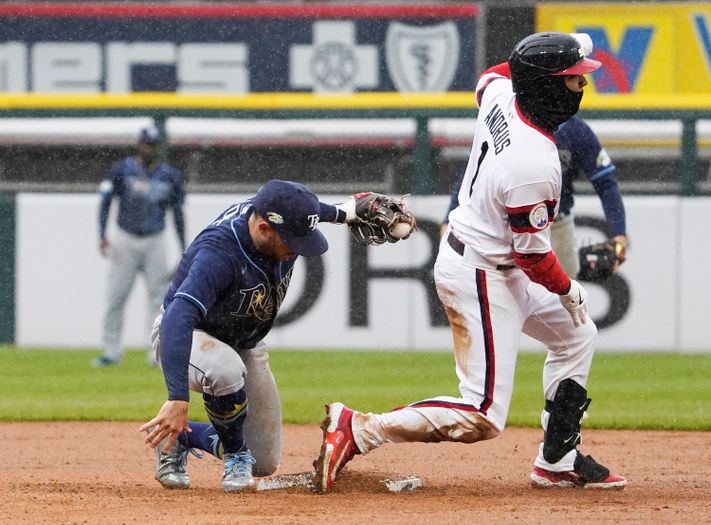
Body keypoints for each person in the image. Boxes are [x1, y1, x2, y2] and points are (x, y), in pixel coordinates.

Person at [313, 32, 627, 493]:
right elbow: (533, 255)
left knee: (576, 334)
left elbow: (490, 76)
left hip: (491, 257)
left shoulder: (504, 93)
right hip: (483, 272)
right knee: (482, 415)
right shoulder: (534, 163)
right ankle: (359, 428)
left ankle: (557, 459)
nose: (582, 87)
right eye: (573, 80)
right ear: (545, 87)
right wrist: (567, 288)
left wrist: (544, 51)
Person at [138, 180, 412, 492]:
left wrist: (345, 213)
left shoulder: (278, 216)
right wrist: (177, 397)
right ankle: (234, 456)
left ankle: (182, 438)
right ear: (265, 228)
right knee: (225, 369)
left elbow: (313, 213)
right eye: (292, 240)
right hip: (185, 336)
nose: (297, 247)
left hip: (244, 341)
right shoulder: (218, 252)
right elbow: (179, 315)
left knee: (263, 462)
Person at [443, 115, 628, 278]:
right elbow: (473, 173)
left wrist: (619, 232)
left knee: (566, 304)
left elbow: (605, 183)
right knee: (509, 301)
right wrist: (449, 216)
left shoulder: (575, 130)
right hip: (507, 226)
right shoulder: (506, 121)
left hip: (556, 225)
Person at [93, 126, 186, 367]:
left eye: (153, 144)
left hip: (155, 237)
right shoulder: (122, 169)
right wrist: (102, 233)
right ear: (138, 144)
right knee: (117, 294)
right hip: (126, 236)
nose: (149, 148)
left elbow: (177, 213)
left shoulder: (170, 175)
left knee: (159, 298)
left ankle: (156, 353)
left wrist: (183, 245)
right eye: (146, 143)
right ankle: (111, 350)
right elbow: (105, 201)